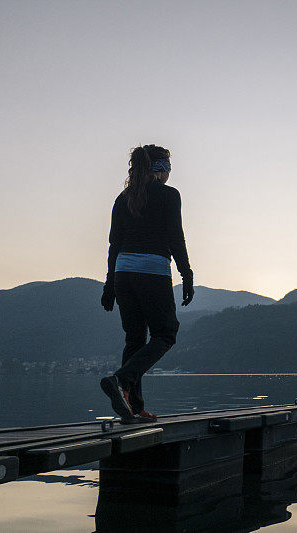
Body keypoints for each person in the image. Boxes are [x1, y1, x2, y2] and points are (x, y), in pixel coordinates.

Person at [99, 144, 194, 423]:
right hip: (152, 271)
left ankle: (133, 407)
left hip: (123, 273)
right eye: (168, 167)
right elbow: (176, 237)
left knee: (135, 339)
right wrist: (186, 275)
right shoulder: (169, 195)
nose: (169, 173)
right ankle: (122, 379)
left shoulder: (123, 198)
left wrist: (110, 285)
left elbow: (114, 244)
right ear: (161, 168)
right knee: (166, 332)